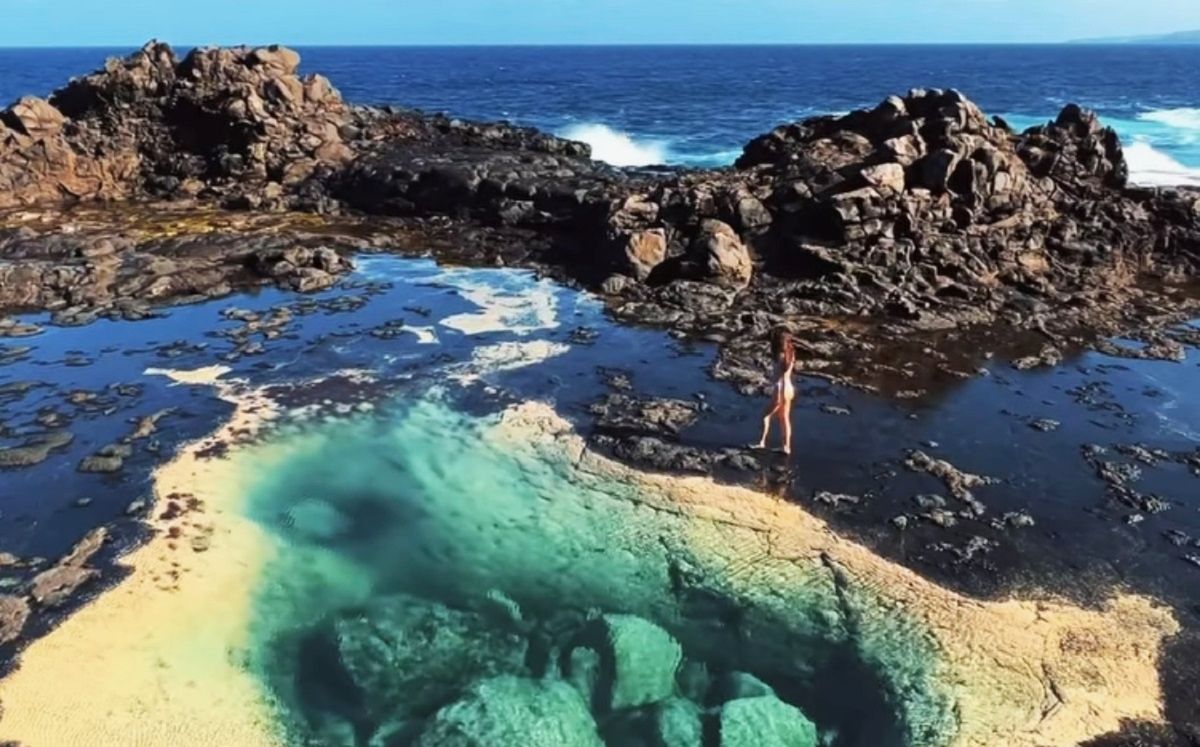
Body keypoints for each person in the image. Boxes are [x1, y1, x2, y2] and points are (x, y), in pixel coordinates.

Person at [754, 327, 796, 455]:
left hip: (780, 388)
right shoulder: (791, 352)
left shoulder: (779, 355)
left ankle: (761, 443)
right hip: (790, 388)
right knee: (785, 418)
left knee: (765, 416)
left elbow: (778, 375)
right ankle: (786, 447)